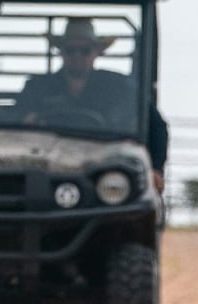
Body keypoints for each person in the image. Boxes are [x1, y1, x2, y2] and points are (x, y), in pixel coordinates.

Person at [15, 17, 167, 192]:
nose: (77, 56)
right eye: (71, 50)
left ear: (96, 52)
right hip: (44, 169)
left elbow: (157, 126)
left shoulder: (119, 88)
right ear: (61, 52)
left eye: (84, 50)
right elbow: (17, 123)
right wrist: (27, 125)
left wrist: (155, 169)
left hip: (105, 174)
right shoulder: (37, 87)